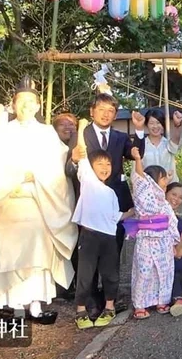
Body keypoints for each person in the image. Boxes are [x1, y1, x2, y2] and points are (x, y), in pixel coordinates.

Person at [0, 76, 77, 324]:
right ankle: (14, 308)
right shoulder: (2, 130)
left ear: (38, 106)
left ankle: (35, 307)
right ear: (13, 104)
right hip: (11, 202)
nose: (26, 106)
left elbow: (57, 167)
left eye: (31, 102)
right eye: (21, 101)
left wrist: (34, 176)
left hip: (40, 204)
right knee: (11, 257)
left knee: (39, 259)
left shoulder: (47, 133)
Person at [71, 119, 136, 329]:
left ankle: (109, 306)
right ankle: (81, 310)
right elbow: (81, 151)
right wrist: (81, 128)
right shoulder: (87, 180)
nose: (105, 167)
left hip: (108, 238)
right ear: (91, 167)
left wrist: (130, 213)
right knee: (85, 274)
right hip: (89, 236)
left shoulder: (112, 193)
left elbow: (114, 217)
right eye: (100, 164)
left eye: (108, 164)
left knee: (111, 274)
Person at [67, 93, 145, 253]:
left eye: (110, 110)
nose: (105, 114)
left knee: (113, 252)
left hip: (116, 202)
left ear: (115, 115)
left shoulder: (121, 137)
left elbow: (136, 154)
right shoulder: (81, 135)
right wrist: (74, 160)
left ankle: (113, 278)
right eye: (101, 109)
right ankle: (89, 279)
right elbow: (69, 170)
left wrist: (139, 130)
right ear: (91, 111)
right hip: (90, 204)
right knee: (89, 255)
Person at [128, 148, 180, 319]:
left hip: (163, 240)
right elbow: (139, 178)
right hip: (146, 239)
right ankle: (140, 304)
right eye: (163, 178)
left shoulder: (164, 202)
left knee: (164, 271)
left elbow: (172, 221)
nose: (166, 181)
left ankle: (162, 300)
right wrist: (137, 159)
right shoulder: (143, 192)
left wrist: (174, 241)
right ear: (154, 179)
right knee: (144, 271)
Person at [134, 109, 182, 183]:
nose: (155, 126)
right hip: (148, 189)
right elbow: (136, 170)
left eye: (158, 123)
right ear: (146, 124)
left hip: (169, 187)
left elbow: (176, 140)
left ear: (163, 125)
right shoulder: (141, 145)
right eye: (151, 123)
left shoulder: (168, 143)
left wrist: (177, 124)